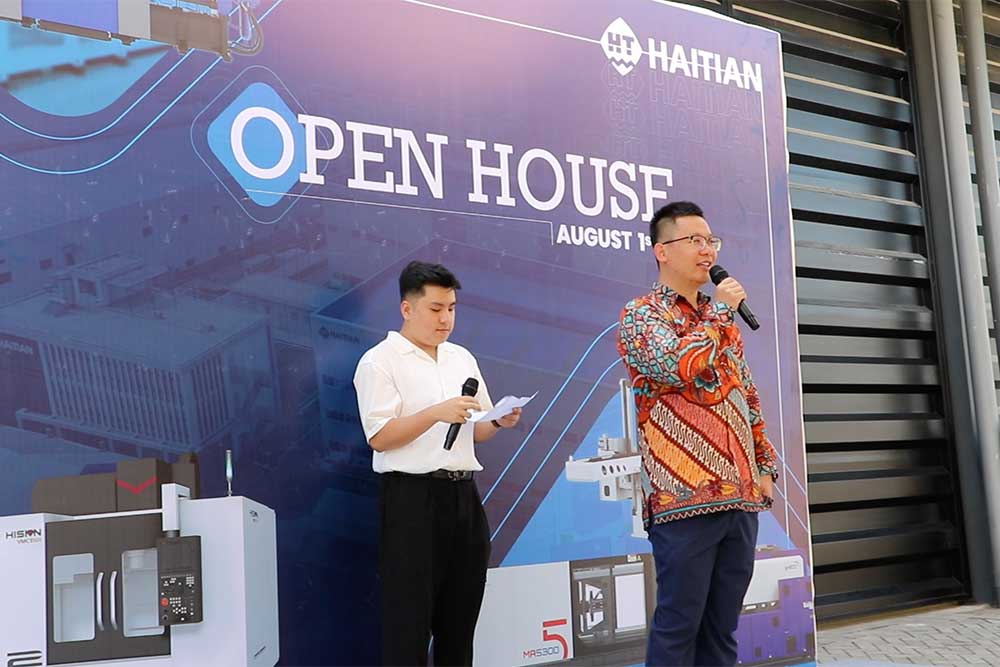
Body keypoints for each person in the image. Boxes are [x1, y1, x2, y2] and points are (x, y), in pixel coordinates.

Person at [617, 201, 779, 667]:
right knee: (679, 625)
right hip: (683, 500)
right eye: (694, 240)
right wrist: (721, 313)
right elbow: (678, 364)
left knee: (722, 629)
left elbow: (746, 394)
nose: (707, 250)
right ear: (662, 251)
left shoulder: (718, 317)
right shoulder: (641, 315)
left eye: (711, 241)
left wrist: (763, 465)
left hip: (740, 497)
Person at [353, 260, 522, 666]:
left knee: (460, 623)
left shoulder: (461, 358)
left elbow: (477, 430)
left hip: (464, 496)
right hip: (412, 498)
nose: (445, 319)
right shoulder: (380, 361)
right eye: (435, 309)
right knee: (408, 624)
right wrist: (434, 413)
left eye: (451, 308)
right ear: (407, 308)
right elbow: (379, 436)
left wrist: (499, 419)